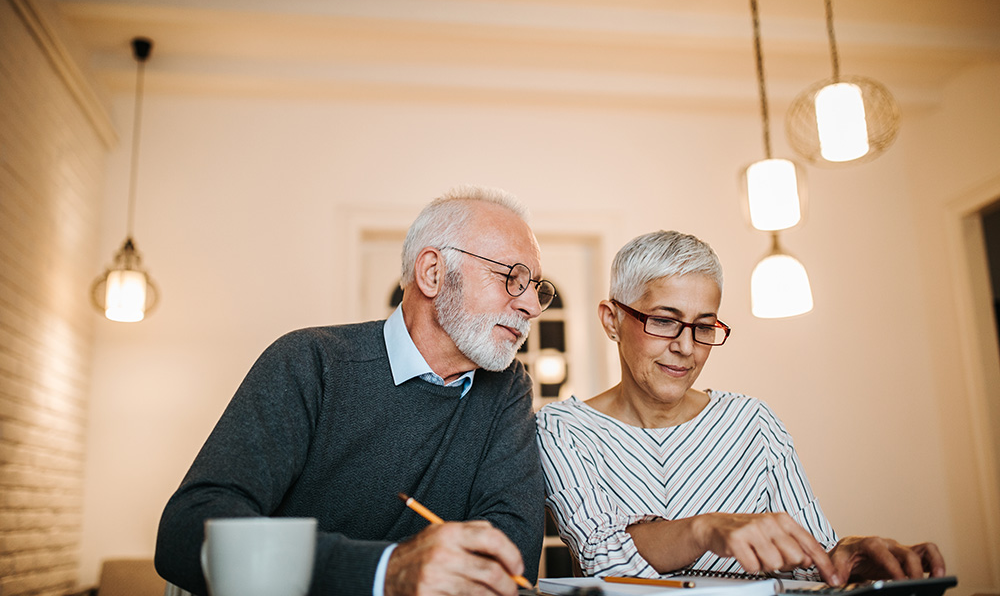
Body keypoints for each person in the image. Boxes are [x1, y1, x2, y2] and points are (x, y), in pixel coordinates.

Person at [155, 186, 555, 596]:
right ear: (433, 273)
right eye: (512, 278)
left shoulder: (507, 387)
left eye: (535, 286)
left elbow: (509, 558)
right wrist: (386, 571)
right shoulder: (311, 362)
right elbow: (187, 532)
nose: (532, 306)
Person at [535, 230, 946, 586]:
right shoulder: (563, 429)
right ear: (611, 321)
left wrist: (850, 557)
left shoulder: (754, 422)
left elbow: (810, 564)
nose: (686, 346)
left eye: (704, 326)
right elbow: (604, 559)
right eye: (664, 320)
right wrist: (705, 529)